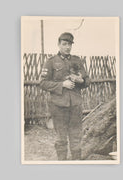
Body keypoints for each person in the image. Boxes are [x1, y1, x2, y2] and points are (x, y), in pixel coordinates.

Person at [40, 32, 90, 160]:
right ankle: (62, 163)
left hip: (75, 106)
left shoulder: (77, 61)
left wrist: (81, 81)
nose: (67, 47)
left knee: (76, 137)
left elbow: (87, 81)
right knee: (61, 138)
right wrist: (62, 84)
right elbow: (43, 83)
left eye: (69, 44)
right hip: (59, 106)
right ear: (59, 44)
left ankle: (76, 163)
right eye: (64, 44)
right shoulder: (51, 62)